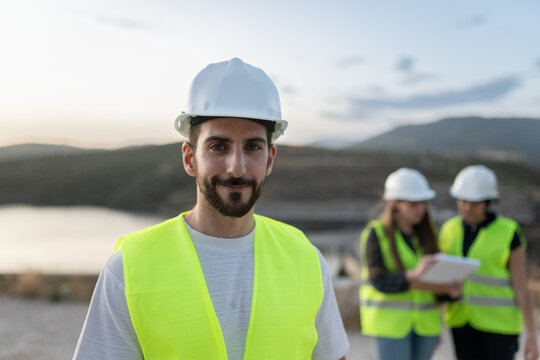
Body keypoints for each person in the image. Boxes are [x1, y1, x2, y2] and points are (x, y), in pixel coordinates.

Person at [73, 58, 349, 359]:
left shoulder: (306, 258)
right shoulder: (127, 269)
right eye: (218, 147)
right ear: (190, 158)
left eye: (252, 147)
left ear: (269, 159)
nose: (236, 167)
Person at [359, 168, 462, 360]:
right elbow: (379, 281)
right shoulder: (376, 234)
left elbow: (432, 284)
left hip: (426, 325)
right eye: (414, 204)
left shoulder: (428, 237)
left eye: (423, 203)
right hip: (391, 326)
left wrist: (450, 294)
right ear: (394, 203)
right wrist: (413, 274)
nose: (420, 209)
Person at [439, 165, 539, 360]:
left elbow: (521, 287)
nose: (468, 208)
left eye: (475, 203)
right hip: (461, 323)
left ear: (487, 202)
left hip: (500, 326)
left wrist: (532, 335)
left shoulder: (509, 231)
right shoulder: (448, 230)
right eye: (463, 201)